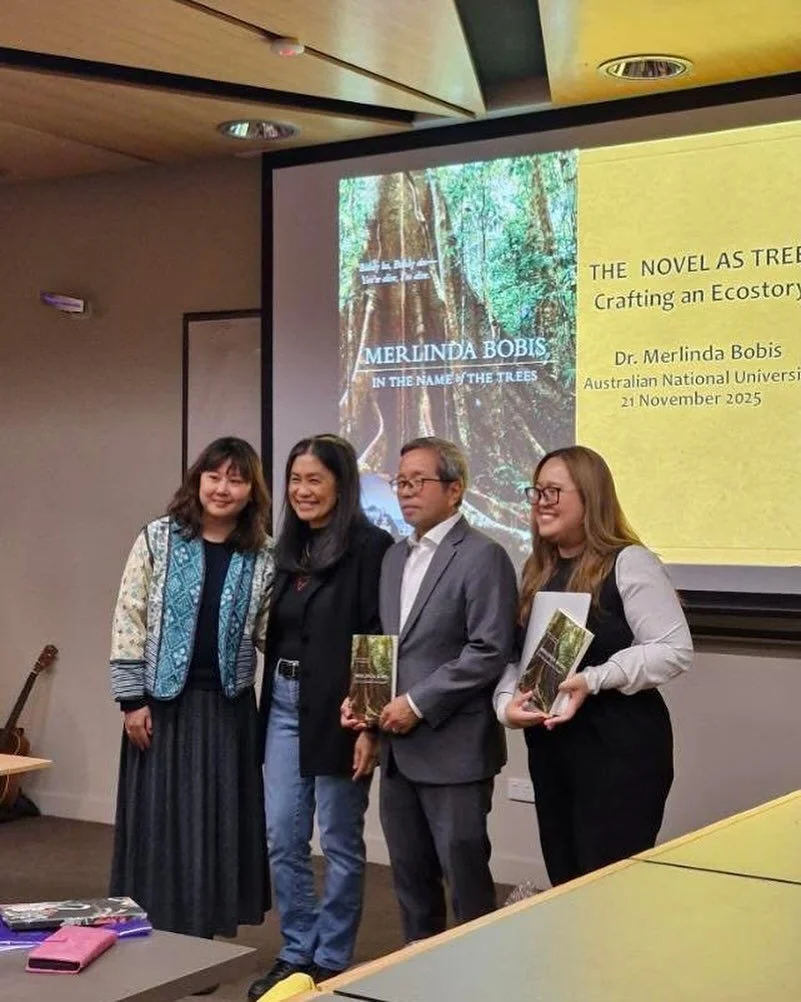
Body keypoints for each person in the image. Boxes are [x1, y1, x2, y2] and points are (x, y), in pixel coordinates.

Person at [345, 436, 518, 944]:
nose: (404, 492)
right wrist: (366, 712)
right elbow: (386, 644)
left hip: (454, 751)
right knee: (410, 885)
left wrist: (418, 703)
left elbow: (489, 649)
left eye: (417, 481)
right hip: (397, 751)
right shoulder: (394, 558)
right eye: (399, 482)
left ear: (455, 488)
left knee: (465, 886)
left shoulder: (484, 556)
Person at [494, 445, 693, 886]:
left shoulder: (629, 562)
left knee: (610, 893)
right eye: (537, 491)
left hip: (620, 752)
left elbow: (673, 648)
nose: (542, 502)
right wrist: (506, 704)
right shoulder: (536, 571)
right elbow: (514, 659)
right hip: (553, 753)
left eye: (554, 491)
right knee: (567, 886)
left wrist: (593, 679)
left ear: (591, 497)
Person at [109, 437, 275, 956]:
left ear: (251, 492)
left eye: (237, 479)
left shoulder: (263, 553)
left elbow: (272, 630)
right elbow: (128, 616)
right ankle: (153, 939)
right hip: (161, 706)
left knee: (214, 828)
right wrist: (130, 700)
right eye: (214, 476)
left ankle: (198, 944)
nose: (223, 489)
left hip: (227, 709)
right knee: (160, 825)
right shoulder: (157, 539)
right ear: (197, 479)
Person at [248, 435, 393, 1001]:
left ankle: (331, 959)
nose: (302, 491)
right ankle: (295, 952)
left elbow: (379, 636)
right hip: (283, 703)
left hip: (343, 711)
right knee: (282, 833)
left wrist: (371, 723)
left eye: (315, 480)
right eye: (295, 479)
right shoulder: (285, 549)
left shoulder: (371, 546)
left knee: (338, 839)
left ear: (341, 484)